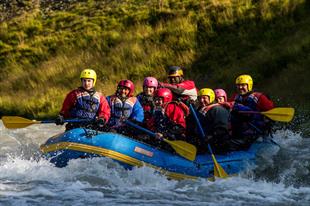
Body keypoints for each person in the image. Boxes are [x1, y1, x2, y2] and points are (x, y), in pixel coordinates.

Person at [230, 74, 275, 149]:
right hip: (242, 128)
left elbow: (271, 110)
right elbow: (228, 104)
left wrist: (267, 122)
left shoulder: (259, 97)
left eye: (243, 85)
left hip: (255, 129)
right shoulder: (236, 97)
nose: (240, 87)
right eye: (238, 85)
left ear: (249, 85)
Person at [190, 88, 231, 153]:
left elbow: (222, 129)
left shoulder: (218, 110)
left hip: (217, 143)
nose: (201, 100)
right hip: (204, 141)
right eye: (200, 98)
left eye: (204, 98)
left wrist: (211, 136)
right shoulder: (199, 110)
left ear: (211, 98)